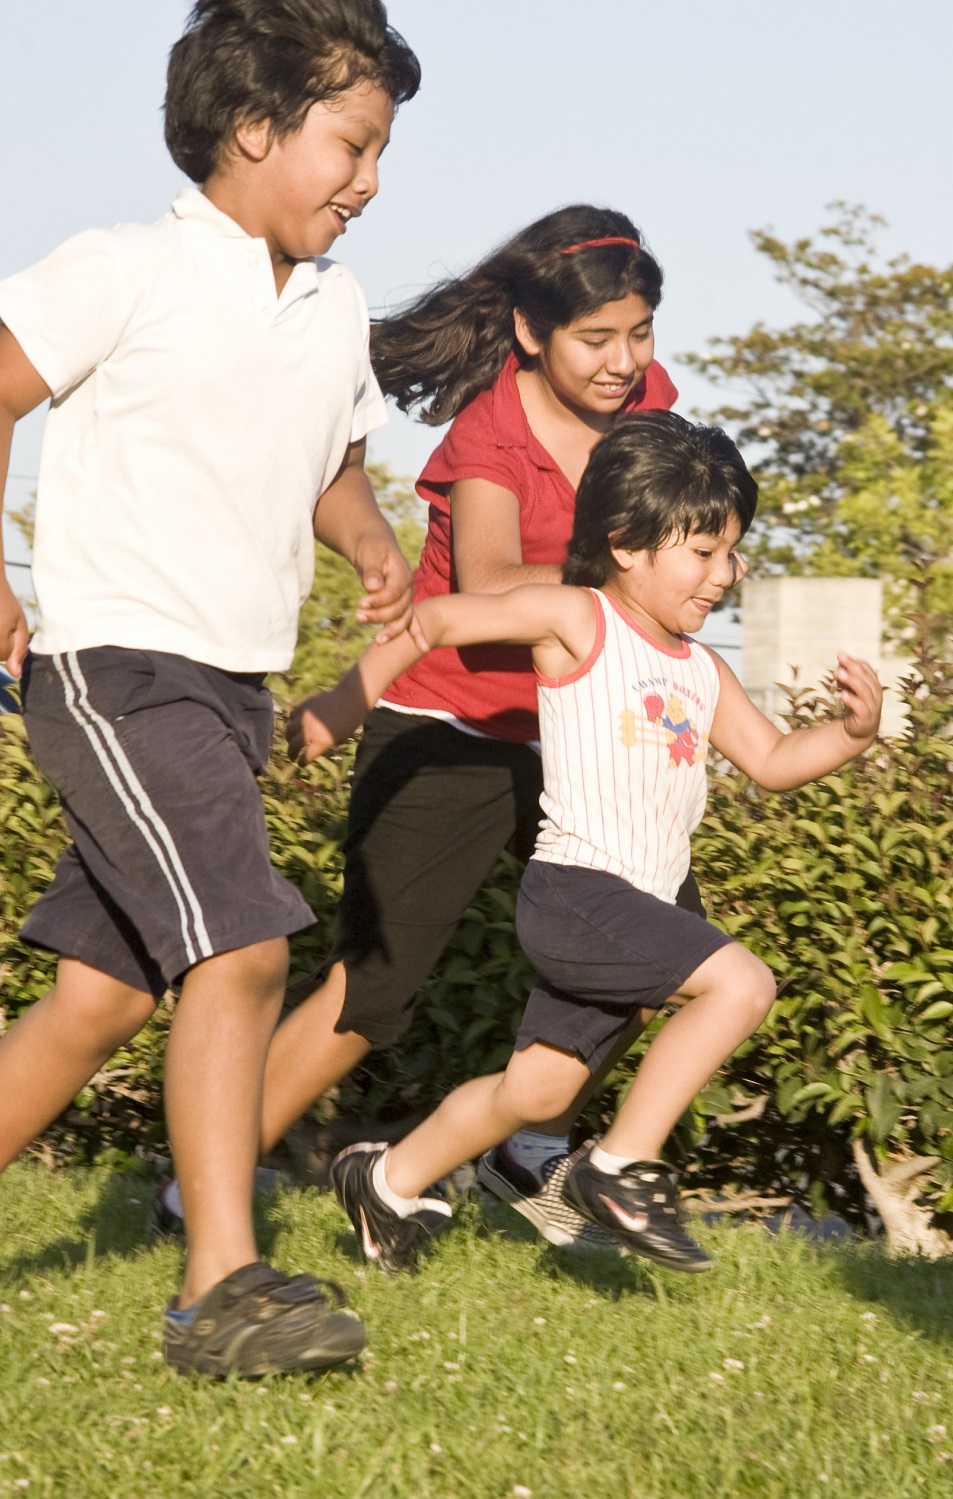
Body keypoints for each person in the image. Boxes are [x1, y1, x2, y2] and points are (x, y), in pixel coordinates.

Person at [172, 206, 728, 1256]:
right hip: (452, 724)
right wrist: (617, 580)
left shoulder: (644, 401)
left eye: (639, 333)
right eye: (594, 339)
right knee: (372, 984)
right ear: (529, 331)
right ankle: (199, 1186)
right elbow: (484, 580)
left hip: (583, 732)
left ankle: (531, 1146)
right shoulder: (489, 434)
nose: (623, 363)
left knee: (666, 951)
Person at [0, 0, 420, 1376]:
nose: (370, 180)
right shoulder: (126, 268)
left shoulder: (333, 306)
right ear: (251, 127)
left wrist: (365, 538)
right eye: (350, 145)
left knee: (101, 1000)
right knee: (239, 946)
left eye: (381, 153)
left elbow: (328, 461)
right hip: (117, 665)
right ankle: (220, 1286)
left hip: (230, 688)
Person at [287, 411, 883, 1273]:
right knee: (742, 983)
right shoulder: (577, 618)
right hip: (577, 892)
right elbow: (439, 619)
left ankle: (386, 1179)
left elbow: (774, 761)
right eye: (703, 553)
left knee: (539, 1088)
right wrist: (350, 698)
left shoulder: (699, 666)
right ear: (626, 544)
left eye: (732, 553)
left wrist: (849, 735)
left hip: (635, 904)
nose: (725, 574)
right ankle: (619, 1167)